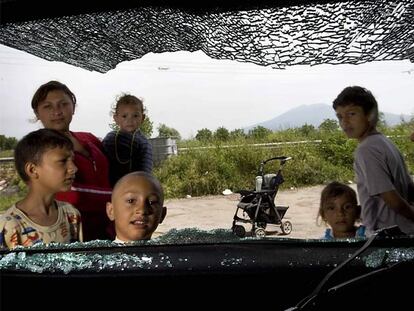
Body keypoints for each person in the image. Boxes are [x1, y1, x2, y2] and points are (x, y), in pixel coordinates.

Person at [31, 80, 113, 241]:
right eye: (48, 106)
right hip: (75, 233)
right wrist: (122, 198)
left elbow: (110, 175)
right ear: (37, 113)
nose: (57, 111)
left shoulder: (89, 139)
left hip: (110, 227)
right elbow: (68, 193)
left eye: (63, 104)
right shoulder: (39, 148)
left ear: (73, 107)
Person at [333, 86, 414, 236]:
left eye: (351, 114)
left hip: (388, 237)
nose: (344, 122)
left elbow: (392, 199)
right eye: (340, 116)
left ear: (370, 115)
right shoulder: (386, 143)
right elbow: (409, 188)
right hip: (405, 231)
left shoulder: (366, 150)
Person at [0, 129, 82, 249]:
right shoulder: (9, 226)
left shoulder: (71, 215)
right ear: (33, 170)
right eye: (62, 161)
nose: (74, 168)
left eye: (72, 161)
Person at [102, 94, 153, 187]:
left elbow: (146, 172)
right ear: (116, 118)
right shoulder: (110, 139)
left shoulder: (143, 143)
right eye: (124, 116)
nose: (130, 120)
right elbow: (101, 162)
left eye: (135, 116)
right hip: (109, 188)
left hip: (133, 188)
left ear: (143, 118)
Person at [106, 171, 166, 243]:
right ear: (111, 211)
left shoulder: (172, 252)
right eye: (131, 201)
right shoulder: (98, 253)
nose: (142, 210)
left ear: (162, 215)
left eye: (152, 202)